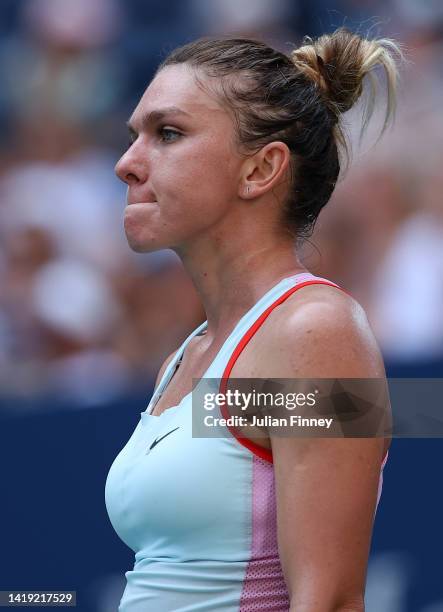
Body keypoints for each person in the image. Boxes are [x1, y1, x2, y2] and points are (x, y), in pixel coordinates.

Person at [105, 27, 401, 611]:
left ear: (260, 170)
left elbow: (333, 600)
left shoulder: (315, 333)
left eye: (167, 134)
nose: (126, 165)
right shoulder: (184, 356)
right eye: (134, 136)